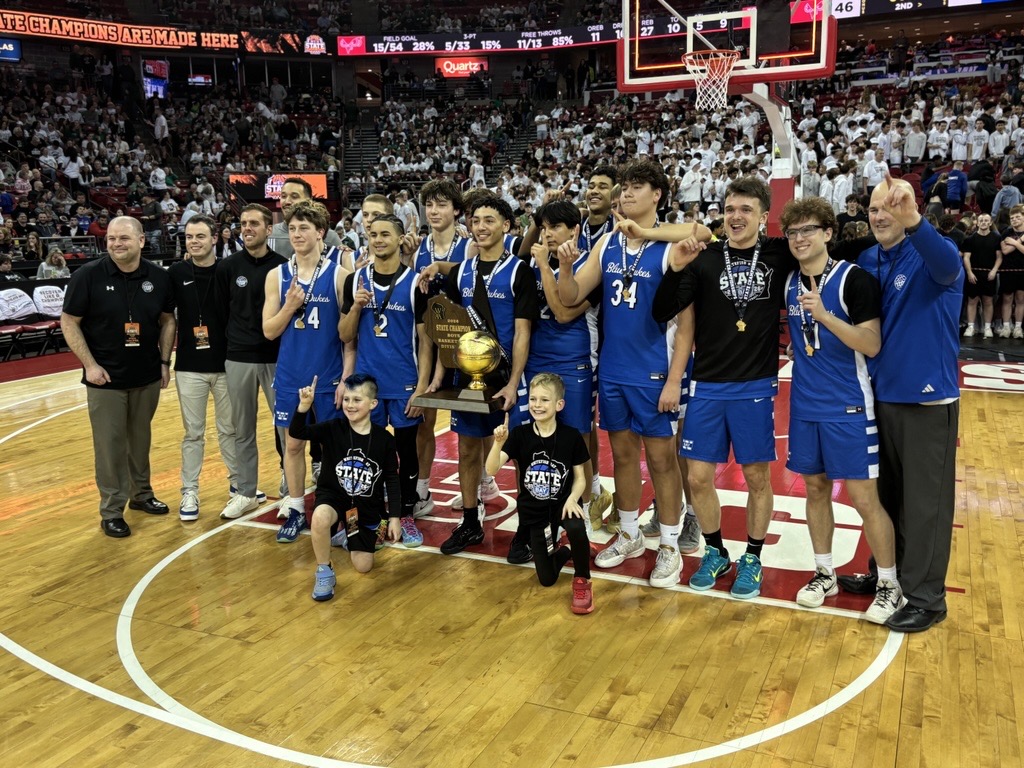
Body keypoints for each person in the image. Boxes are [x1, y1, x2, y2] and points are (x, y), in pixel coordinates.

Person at [558, 158, 710, 589]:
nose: (625, 192)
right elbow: (571, 296)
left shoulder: (672, 245)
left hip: (655, 372)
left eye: (637, 186)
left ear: (657, 195)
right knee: (622, 455)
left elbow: (687, 322)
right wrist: (566, 266)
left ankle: (668, 544)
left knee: (662, 460)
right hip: (614, 370)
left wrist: (676, 378)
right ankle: (628, 534)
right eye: (624, 186)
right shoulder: (607, 243)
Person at [652, 175, 794, 598]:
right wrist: (676, 265)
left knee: (756, 477)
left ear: (764, 217)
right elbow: (664, 309)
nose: (736, 216)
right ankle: (715, 550)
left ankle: (752, 555)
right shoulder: (704, 258)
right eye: (730, 209)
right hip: (707, 383)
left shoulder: (780, 254)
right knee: (697, 478)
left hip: (754, 384)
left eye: (746, 210)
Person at [838, 173, 963, 633]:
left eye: (890, 206)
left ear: (910, 209)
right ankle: (885, 576)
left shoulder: (933, 254)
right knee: (885, 497)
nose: (879, 214)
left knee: (925, 505)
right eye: (873, 208)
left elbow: (949, 267)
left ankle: (928, 598)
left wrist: (914, 220)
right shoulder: (869, 259)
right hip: (878, 397)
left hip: (927, 401)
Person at [779, 197, 904, 624]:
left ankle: (889, 584)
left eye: (808, 230)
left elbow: (871, 344)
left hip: (849, 406)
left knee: (863, 498)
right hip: (804, 405)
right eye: (793, 233)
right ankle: (824, 572)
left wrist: (826, 316)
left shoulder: (855, 280)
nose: (799, 239)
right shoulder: (789, 280)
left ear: (828, 233)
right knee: (814, 489)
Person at [419, 195, 538, 562]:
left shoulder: (519, 271)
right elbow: (449, 330)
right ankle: (471, 521)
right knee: (469, 449)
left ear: (507, 226)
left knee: (520, 455)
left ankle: (527, 530)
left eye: (490, 220)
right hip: (470, 379)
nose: (482, 227)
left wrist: (514, 382)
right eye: (476, 220)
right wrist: (440, 376)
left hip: (507, 380)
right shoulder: (461, 272)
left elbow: (522, 333)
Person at [60, 216, 175, 538]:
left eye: (123, 238)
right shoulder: (87, 276)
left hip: (147, 376)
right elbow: (69, 321)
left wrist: (165, 361)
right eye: (111, 239)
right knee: (110, 447)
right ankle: (112, 510)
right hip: (104, 380)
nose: (115, 244)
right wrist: (89, 365)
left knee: (140, 441)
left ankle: (142, 495)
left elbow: (168, 320)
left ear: (141, 241)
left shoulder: (158, 277)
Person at [340, 213, 431, 547]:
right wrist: (355, 309)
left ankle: (406, 512)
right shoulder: (355, 280)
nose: (378, 240)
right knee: (366, 452)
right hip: (366, 385)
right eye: (373, 234)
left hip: (404, 382)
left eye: (385, 234)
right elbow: (344, 335)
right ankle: (372, 516)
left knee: (406, 451)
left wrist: (422, 387)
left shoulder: (415, 282)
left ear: (399, 238)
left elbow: (425, 343)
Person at [263, 200, 351, 543]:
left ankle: (338, 511)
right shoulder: (277, 276)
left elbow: (350, 336)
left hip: (328, 376)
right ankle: (297, 509)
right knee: (293, 446)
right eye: (293, 228)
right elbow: (269, 330)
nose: (297, 234)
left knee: (335, 449)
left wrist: (346, 377)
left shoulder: (339, 275)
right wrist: (289, 306)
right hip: (290, 376)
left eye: (304, 228)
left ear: (320, 233)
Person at [523, 200, 605, 541]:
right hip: (537, 361)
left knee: (577, 441)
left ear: (575, 230)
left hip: (575, 362)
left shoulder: (591, 265)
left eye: (556, 227)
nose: (549, 234)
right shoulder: (533, 260)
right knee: (540, 440)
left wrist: (544, 266)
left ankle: (583, 510)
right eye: (544, 228)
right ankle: (544, 510)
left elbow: (562, 313)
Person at [486, 374, 594, 614]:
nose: (537, 404)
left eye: (544, 400)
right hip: (535, 512)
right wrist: (497, 443)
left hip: (563, 505)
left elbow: (580, 479)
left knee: (576, 526)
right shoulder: (519, 435)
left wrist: (572, 498)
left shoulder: (571, 436)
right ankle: (565, 549)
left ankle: (582, 580)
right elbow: (491, 469)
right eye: (533, 399)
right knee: (546, 579)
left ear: (559, 405)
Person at [292, 374, 402, 602]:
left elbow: (392, 479)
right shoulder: (334, 427)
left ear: (373, 404)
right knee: (320, 517)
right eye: (347, 399)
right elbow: (298, 433)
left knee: (363, 567)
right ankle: (324, 571)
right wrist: (303, 408)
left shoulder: (385, 440)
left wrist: (394, 517)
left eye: (357, 400)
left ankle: (347, 533)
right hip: (333, 496)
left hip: (365, 507)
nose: (350, 405)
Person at [216, 203, 287, 519]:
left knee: (285, 427)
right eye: (243, 223)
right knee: (241, 429)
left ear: (268, 229)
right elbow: (220, 314)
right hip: (239, 359)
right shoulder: (228, 267)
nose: (247, 228)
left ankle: (290, 491)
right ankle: (245, 492)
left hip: (277, 358)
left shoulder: (284, 267)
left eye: (254, 223)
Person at [168, 214, 240, 520]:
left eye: (200, 236)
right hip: (189, 366)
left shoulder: (228, 270)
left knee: (229, 430)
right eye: (189, 237)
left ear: (215, 239)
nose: (193, 242)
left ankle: (239, 486)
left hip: (226, 365)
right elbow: (166, 319)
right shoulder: (175, 272)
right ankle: (189, 492)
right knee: (193, 433)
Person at [412, 179, 470, 518]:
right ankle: (422, 488)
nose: (434, 211)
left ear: (456, 210)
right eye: (430, 205)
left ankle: (481, 481)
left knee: (471, 423)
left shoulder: (469, 247)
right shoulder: (418, 249)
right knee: (425, 422)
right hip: (429, 343)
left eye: (442, 205)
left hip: (465, 348)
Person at [267, 177, 345, 259]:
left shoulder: (330, 237)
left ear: (309, 200)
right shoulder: (269, 234)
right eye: (283, 196)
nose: (287, 201)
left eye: (294, 196)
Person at [961, 213, 1002, 338]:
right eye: (981, 220)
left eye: (986, 220)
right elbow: (966, 257)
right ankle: (971, 326)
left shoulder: (996, 238)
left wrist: (994, 270)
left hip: (989, 273)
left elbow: (999, 257)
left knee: (988, 301)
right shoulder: (970, 239)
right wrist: (969, 272)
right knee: (972, 301)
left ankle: (988, 327)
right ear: (977, 223)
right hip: (974, 273)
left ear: (990, 223)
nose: (983, 222)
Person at [997, 204, 1024, 338]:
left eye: (1017, 217)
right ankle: (1006, 327)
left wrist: (1015, 243)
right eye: (1012, 218)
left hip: (1022, 270)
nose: (1014, 220)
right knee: (1007, 299)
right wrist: (1021, 240)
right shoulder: (1006, 232)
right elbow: (1005, 251)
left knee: (1020, 299)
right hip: (1008, 270)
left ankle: (1018, 328)